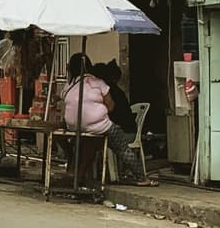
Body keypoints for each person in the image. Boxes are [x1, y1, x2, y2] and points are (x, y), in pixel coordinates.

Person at [62, 53, 155, 186]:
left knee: (86, 142)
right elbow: (110, 107)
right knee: (122, 147)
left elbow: (65, 101)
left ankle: (76, 171)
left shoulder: (69, 86)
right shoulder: (99, 83)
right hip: (99, 126)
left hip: (74, 127)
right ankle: (142, 178)